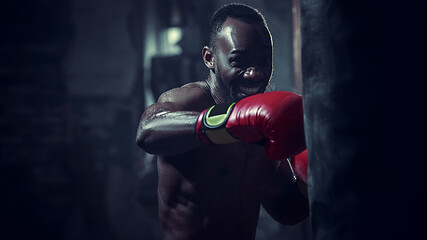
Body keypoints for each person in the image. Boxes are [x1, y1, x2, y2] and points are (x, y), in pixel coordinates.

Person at [136, 3, 308, 240]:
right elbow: (146, 132)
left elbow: (289, 212)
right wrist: (230, 123)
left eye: (263, 60)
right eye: (239, 61)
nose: (254, 72)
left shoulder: (264, 126)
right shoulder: (190, 101)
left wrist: (309, 173)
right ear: (210, 58)